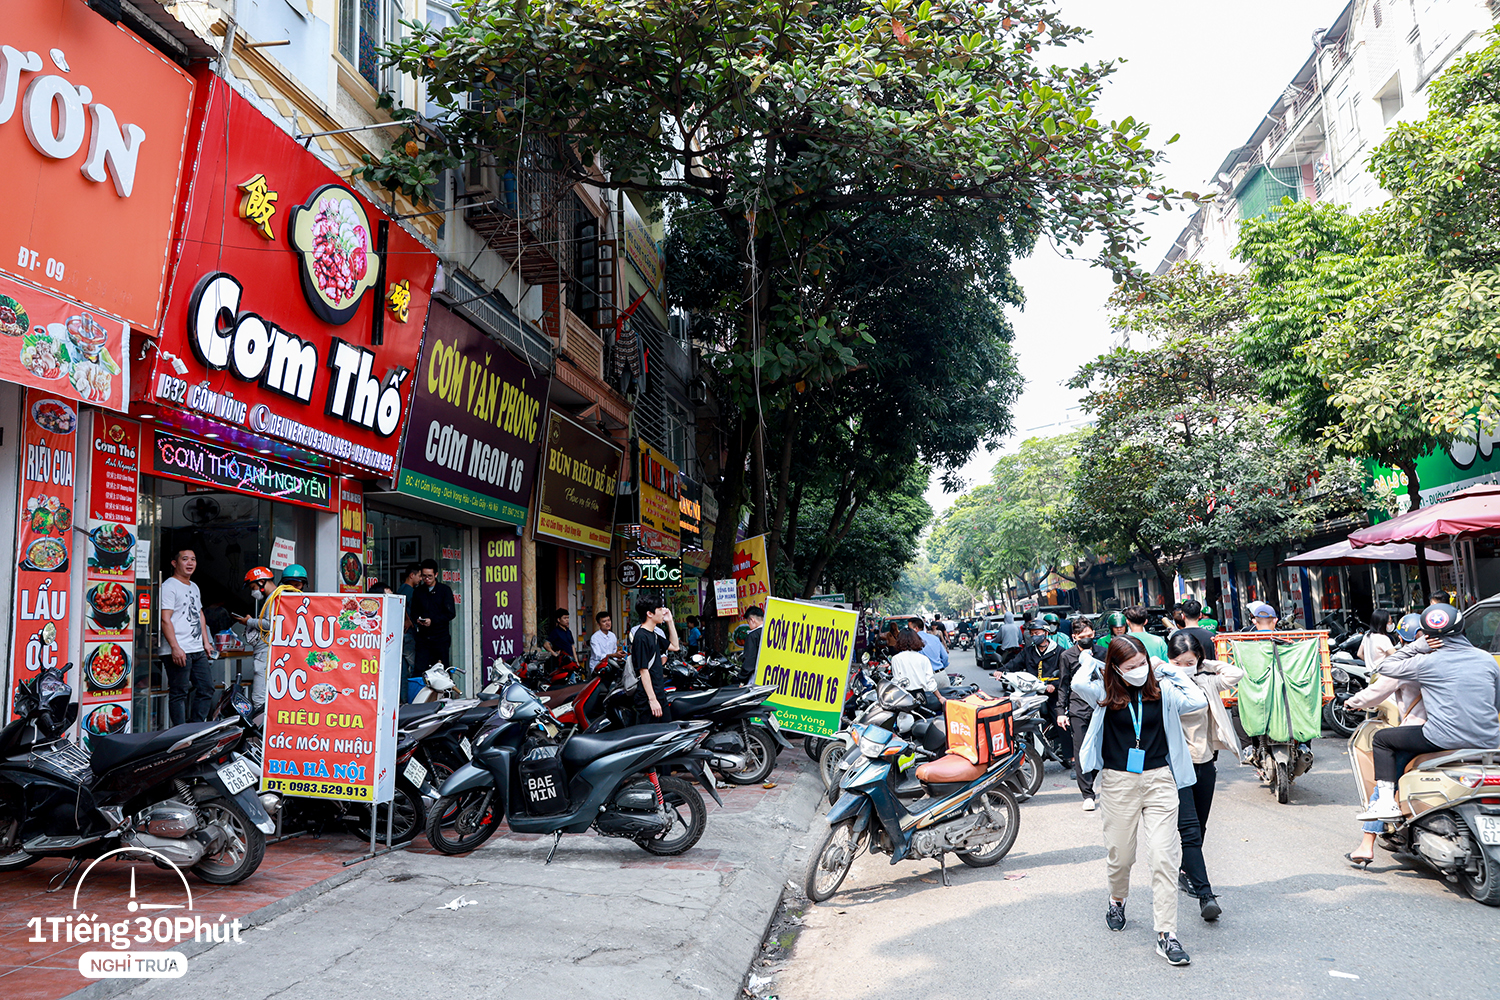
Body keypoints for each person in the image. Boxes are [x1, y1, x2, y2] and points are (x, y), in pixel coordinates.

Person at [1074, 635, 1208, 967]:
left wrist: (1170, 670)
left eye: (1142, 664)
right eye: (1130, 667)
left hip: (1160, 779)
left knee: (1163, 856)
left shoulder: (1163, 691)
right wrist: (1092, 661)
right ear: (1116, 669)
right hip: (1119, 782)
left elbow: (1198, 701)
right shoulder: (1105, 693)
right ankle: (1117, 898)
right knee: (1121, 855)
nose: (1138, 671)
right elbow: (1078, 683)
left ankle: (1167, 935)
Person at [1356, 603, 1500, 822]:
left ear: (1428, 635)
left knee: (1382, 739)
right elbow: (1496, 704)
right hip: (1489, 739)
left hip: (1441, 739)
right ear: (1462, 627)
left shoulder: (1426, 662)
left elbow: (1384, 667)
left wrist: (1417, 646)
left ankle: (1386, 802)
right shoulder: (1487, 660)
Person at [1166, 631, 1242, 921]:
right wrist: (1169, 670)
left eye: (1189, 660)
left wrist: (1206, 664)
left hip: (1205, 761)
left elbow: (1236, 673)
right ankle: (1205, 895)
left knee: (1200, 826)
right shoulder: (1162, 685)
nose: (1183, 666)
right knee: (1189, 830)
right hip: (1176, 766)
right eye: (1177, 661)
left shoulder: (1205, 681)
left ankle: (1186, 870)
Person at [1343, 617, 1430, 867]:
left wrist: (1352, 702)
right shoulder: (1457, 658)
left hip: (1421, 732)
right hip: (1467, 734)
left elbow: (1377, 692)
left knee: (1385, 781)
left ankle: (1366, 845)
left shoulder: (1406, 663)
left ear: (1402, 638)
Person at [160, 548, 218, 725]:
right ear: (175, 563)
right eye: (185, 559)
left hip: (197, 648)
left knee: (206, 688)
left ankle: (195, 727)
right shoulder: (169, 586)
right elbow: (165, 619)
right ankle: (180, 734)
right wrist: (175, 648)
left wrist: (206, 642)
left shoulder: (194, 586)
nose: (190, 563)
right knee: (179, 692)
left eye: (193, 559)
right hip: (177, 649)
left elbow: (199, 614)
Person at [1057, 617, 1100, 807]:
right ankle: (1088, 795)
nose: (1087, 639)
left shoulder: (1102, 653)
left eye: (1090, 636)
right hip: (1078, 708)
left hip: (1100, 706)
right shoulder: (1067, 656)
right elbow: (1063, 685)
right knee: (1082, 750)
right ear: (1074, 637)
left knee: (1103, 748)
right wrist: (1060, 711)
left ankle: (1099, 781)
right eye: (1083, 636)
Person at [409, 559, 456, 693]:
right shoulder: (418, 592)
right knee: (420, 670)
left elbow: (450, 613)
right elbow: (414, 611)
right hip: (423, 638)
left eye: (429, 576)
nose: (426, 579)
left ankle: (446, 698)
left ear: (436, 575)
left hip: (440, 638)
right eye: (424, 576)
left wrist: (433, 620)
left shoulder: (444, 591)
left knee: (442, 670)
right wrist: (419, 620)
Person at [234, 566, 277, 708]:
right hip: (268, 651)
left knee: (259, 698)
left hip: (266, 652)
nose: (253, 592)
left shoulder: (274, 599)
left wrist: (249, 621)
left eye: (253, 587)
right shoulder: (273, 598)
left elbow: (270, 624)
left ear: (262, 582)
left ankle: (261, 728)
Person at [632, 599, 673, 721]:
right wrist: (652, 699)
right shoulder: (641, 637)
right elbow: (643, 671)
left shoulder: (654, 634)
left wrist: (670, 621)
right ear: (649, 614)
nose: (663, 613)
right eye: (659, 610)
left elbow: (674, 646)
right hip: (647, 697)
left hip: (659, 692)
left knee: (667, 732)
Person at [888, 627, 944, 712]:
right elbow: (930, 682)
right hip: (920, 696)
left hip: (903, 697)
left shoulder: (896, 659)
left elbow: (897, 680)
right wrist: (940, 697)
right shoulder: (923, 659)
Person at [397, 562, 421, 694]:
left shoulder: (401, 589)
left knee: (404, 671)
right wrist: (408, 620)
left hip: (404, 634)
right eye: (419, 576)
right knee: (416, 667)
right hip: (408, 634)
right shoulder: (409, 590)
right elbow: (402, 604)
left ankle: (405, 698)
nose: (421, 579)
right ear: (412, 575)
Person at [738, 605, 764, 683]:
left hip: (756, 677)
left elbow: (750, 660)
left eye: (748, 622)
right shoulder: (771, 631)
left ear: (752, 620)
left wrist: (742, 678)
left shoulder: (752, 636)